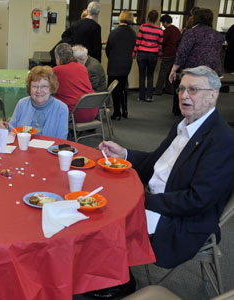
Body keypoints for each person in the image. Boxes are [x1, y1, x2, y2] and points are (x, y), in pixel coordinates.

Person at [100, 66, 234, 269]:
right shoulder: (183, 126)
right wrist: (124, 154)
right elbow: (156, 163)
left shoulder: (222, 140)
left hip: (183, 221)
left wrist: (144, 202)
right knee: (103, 199)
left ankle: (117, 281)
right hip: (159, 200)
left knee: (109, 221)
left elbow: (198, 200)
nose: (184, 95)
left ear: (213, 96)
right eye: (181, 89)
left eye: (193, 90)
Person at [169, 8, 223, 116]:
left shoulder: (191, 32)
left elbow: (183, 52)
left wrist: (174, 69)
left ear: (196, 18)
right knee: (206, 92)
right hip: (213, 70)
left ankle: (191, 114)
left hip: (195, 68)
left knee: (192, 92)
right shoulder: (217, 35)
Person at [0, 66, 68, 139]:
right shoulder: (22, 103)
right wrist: (6, 129)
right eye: (35, 86)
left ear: (51, 88)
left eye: (44, 86)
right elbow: (12, 131)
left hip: (47, 149)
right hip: (22, 147)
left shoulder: (61, 108)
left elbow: (61, 140)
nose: (38, 91)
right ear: (29, 88)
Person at [106, 10, 136, 120]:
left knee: (113, 88)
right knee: (123, 87)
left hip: (114, 62)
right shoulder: (133, 33)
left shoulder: (114, 32)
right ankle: (125, 111)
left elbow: (108, 49)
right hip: (126, 63)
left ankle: (117, 112)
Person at [53, 43, 95, 123]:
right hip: (92, 110)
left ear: (58, 58)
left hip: (75, 114)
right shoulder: (82, 67)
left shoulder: (56, 70)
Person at [133, 10, 163, 102]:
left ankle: (141, 96)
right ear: (156, 19)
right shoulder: (160, 30)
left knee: (142, 75)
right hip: (153, 54)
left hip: (142, 53)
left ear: (148, 17)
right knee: (150, 75)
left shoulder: (143, 27)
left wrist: (134, 53)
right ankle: (149, 96)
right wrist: (158, 56)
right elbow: (160, 45)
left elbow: (138, 41)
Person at [154, 14, 180, 96]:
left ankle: (158, 90)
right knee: (171, 72)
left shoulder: (166, 31)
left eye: (162, 22)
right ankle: (170, 89)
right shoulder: (176, 30)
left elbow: (162, 42)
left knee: (163, 72)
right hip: (175, 54)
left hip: (167, 53)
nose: (162, 24)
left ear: (165, 22)